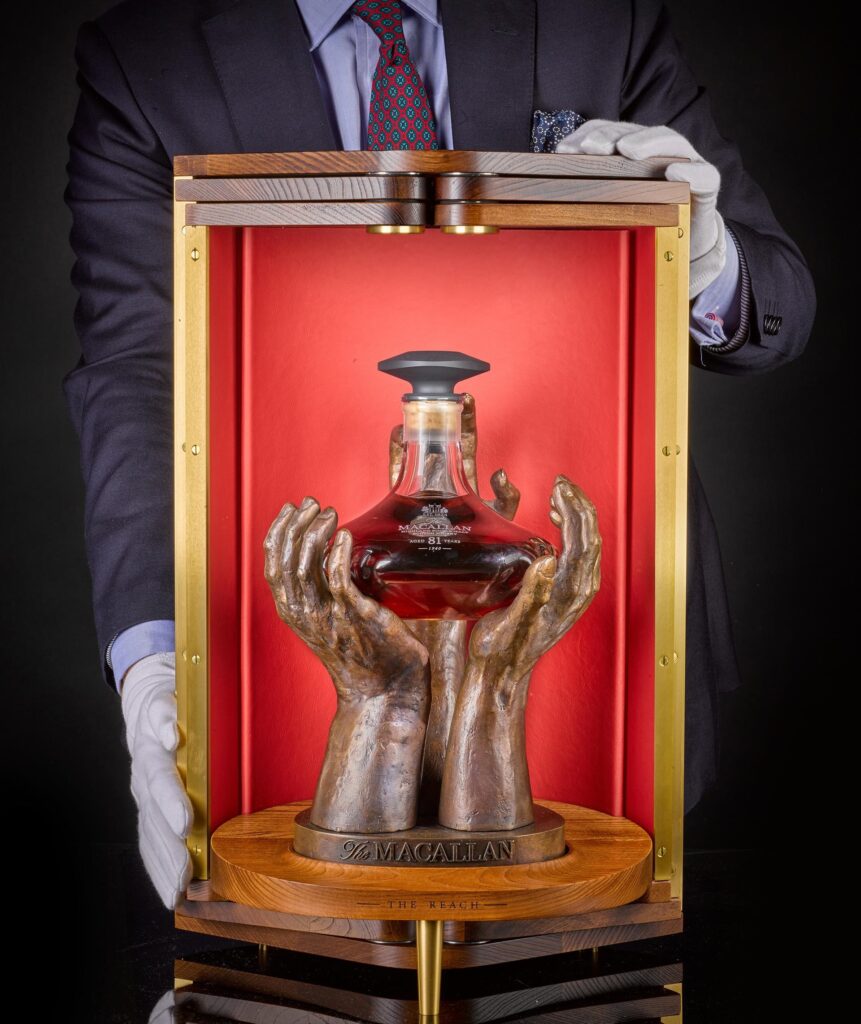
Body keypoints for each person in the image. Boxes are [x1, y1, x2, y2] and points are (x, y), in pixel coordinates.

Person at [64, 0, 816, 908]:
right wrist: (157, 662)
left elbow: (777, 304)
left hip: (604, 658)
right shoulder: (147, 54)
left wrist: (705, 257)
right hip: (278, 652)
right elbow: (137, 364)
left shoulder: (598, 19)